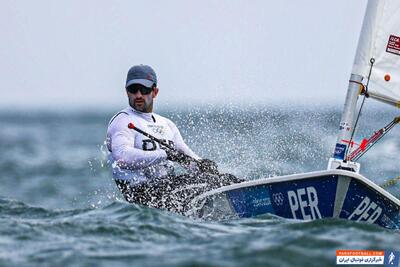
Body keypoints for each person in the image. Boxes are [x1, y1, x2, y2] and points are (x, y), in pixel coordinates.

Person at [106, 65, 243, 214]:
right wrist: (164, 154)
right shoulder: (123, 122)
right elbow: (122, 158)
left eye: (144, 90)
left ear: (155, 92)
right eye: (133, 90)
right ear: (127, 92)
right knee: (212, 182)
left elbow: (186, 155)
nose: (138, 95)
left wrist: (201, 164)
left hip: (168, 188)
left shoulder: (167, 125)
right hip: (143, 195)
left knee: (220, 178)